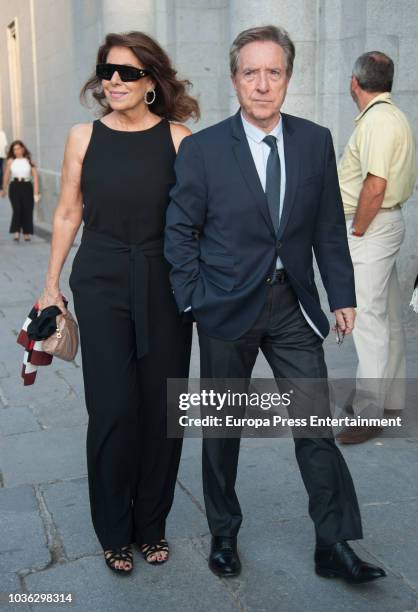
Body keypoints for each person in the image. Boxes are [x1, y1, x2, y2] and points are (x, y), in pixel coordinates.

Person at [165, 25, 385, 583]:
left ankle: (332, 544)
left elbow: (329, 228)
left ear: (288, 77)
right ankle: (223, 534)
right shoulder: (203, 148)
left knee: (314, 424)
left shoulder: (315, 139)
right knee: (223, 429)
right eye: (250, 73)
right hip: (225, 309)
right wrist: (194, 301)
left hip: (292, 306)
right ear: (234, 79)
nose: (262, 85)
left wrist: (342, 296)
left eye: (274, 72)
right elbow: (180, 232)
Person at [37, 31, 199, 574]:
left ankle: (151, 523)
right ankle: (113, 529)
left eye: (128, 72)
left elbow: (202, 219)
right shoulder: (83, 137)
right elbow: (66, 213)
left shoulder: (180, 138)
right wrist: (50, 283)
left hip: (165, 283)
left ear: (151, 81)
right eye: (109, 70)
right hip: (102, 280)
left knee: (161, 407)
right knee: (111, 408)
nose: (115, 81)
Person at [337, 52, 417, 444]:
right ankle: (392, 399)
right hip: (381, 224)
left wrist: (357, 230)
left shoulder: (379, 121)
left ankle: (369, 412)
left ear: (355, 82)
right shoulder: (390, 116)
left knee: (367, 319)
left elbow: (376, 184)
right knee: (385, 314)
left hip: (371, 226)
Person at [0, 140, 41, 241]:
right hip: (14, 186)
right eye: (14, 149)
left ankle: (26, 233)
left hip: (27, 186)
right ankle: (16, 232)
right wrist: (3, 189)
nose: (16, 151)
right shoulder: (10, 161)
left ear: (23, 149)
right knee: (17, 209)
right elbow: (6, 176)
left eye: (18, 148)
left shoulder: (29, 160)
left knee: (27, 209)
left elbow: (35, 177)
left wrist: (36, 192)